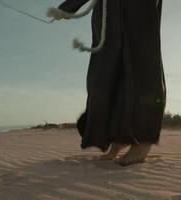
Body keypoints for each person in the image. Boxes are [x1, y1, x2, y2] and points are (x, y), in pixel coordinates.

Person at [55, 0, 166, 166]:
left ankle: (143, 138)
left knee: (139, 64)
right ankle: (119, 136)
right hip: (107, 10)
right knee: (105, 74)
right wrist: (68, 7)